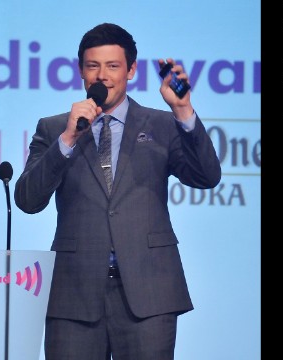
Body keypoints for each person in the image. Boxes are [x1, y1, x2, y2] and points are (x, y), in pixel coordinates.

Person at [14, 23, 221, 360]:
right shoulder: (55, 128)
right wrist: (67, 141)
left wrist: (183, 110)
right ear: (81, 71)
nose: (103, 76)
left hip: (149, 292)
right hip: (74, 295)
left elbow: (206, 176)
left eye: (113, 66)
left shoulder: (163, 124)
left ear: (131, 70)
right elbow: (27, 199)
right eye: (93, 66)